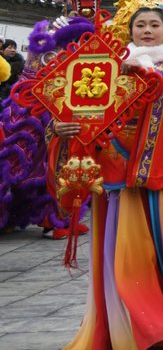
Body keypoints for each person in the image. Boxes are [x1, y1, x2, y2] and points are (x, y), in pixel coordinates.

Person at [54, 4, 163, 350]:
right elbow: (80, 109)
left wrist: (145, 73)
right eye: (140, 25)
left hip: (153, 174)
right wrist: (61, 127)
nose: (147, 31)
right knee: (120, 253)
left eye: (154, 25)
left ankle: (162, 326)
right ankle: (133, 329)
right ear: (129, 31)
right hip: (115, 171)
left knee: (154, 252)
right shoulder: (110, 70)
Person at [0, 17, 94, 237]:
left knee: (50, 163)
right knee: (36, 162)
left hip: (43, 110)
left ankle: (50, 218)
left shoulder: (60, 48)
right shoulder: (53, 49)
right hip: (37, 111)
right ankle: (46, 220)